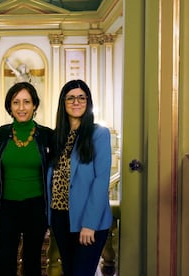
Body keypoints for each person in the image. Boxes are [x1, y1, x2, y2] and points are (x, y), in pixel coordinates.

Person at [47, 79, 113, 275]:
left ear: (88, 101)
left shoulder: (99, 134)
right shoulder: (57, 137)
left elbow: (101, 181)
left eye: (81, 97)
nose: (76, 102)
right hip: (60, 218)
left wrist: (89, 224)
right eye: (71, 98)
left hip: (87, 220)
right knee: (69, 271)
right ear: (63, 103)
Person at [0, 82, 53, 276]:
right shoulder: (1, 133)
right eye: (16, 102)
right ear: (9, 106)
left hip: (36, 206)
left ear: (34, 105)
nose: (21, 107)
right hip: (6, 207)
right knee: (4, 259)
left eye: (26, 102)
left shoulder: (46, 135)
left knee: (32, 260)